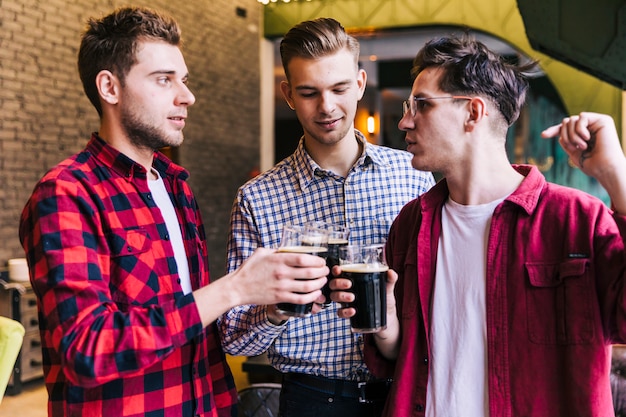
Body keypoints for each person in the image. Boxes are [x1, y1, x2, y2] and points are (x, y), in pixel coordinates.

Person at [18, 7, 329, 417]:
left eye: (184, 80)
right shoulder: (67, 193)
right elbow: (87, 349)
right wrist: (234, 288)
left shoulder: (176, 187)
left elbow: (196, 334)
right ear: (109, 87)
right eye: (165, 80)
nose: (187, 96)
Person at [331, 33, 626, 417]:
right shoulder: (411, 222)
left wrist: (616, 176)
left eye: (421, 104)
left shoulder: (574, 219)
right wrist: (385, 323)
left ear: (473, 112)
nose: (405, 121)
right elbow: (400, 355)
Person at [218, 17, 435, 417]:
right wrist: (277, 309)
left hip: (403, 391)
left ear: (359, 83)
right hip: (310, 399)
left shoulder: (412, 175)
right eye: (308, 93)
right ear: (287, 95)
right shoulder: (257, 198)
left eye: (338, 89)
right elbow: (232, 338)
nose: (327, 107)